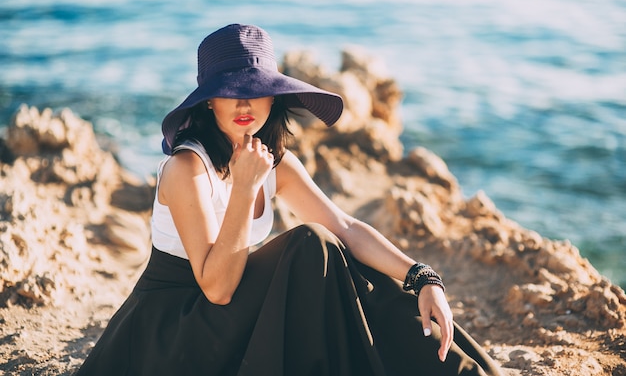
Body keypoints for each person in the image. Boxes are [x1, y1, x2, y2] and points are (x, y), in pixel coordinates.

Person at [75, 24, 502, 376]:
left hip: (231, 318)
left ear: (273, 96)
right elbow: (217, 289)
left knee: (343, 258)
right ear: (208, 103)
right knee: (309, 245)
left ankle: (456, 371)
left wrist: (422, 277)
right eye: (231, 90)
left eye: (255, 89)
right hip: (173, 335)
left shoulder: (275, 161)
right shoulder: (187, 168)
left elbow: (347, 228)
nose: (245, 103)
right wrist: (244, 189)